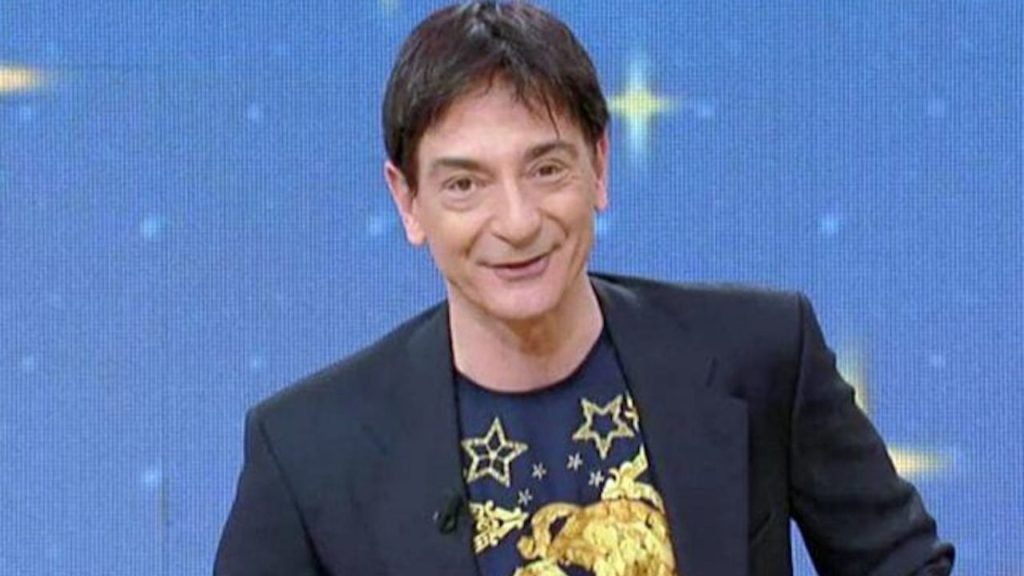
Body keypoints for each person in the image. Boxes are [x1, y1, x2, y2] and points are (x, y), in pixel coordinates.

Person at [214, 2, 954, 575]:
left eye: (546, 169)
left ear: (598, 166)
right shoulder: (308, 452)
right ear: (408, 202)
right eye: (465, 184)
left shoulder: (760, 355)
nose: (517, 222)